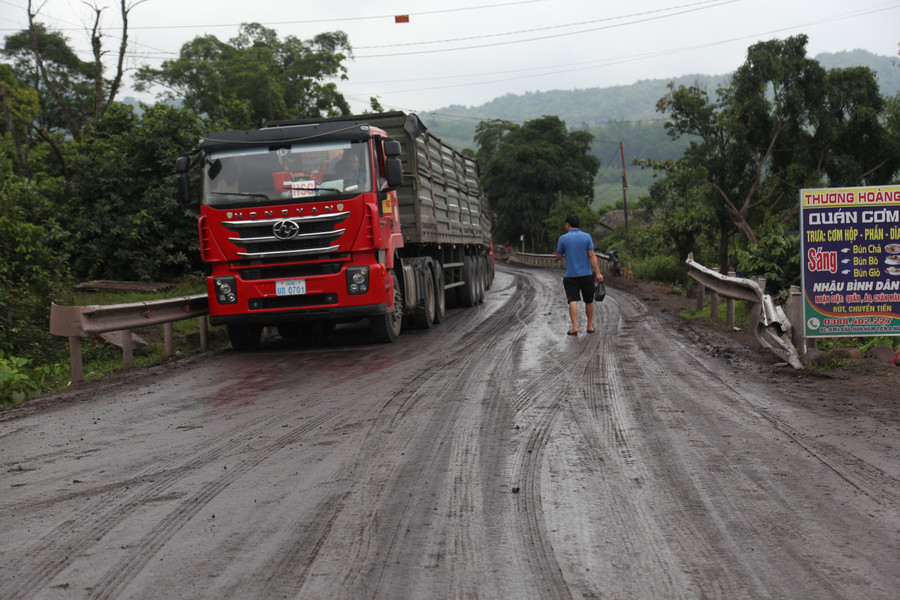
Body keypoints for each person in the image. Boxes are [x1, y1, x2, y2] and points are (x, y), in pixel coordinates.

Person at [555, 214, 604, 335]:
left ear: (567, 224)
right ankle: (590, 326)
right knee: (589, 300)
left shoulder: (563, 238)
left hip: (570, 275)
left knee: (573, 300)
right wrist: (598, 273)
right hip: (586, 275)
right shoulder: (587, 237)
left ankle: (575, 327)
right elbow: (592, 255)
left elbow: (559, 257)